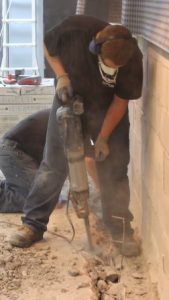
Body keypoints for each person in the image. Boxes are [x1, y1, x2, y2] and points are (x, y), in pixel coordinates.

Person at [9, 15, 143, 256]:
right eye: (109, 64)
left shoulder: (132, 59)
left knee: (115, 167)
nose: (112, 70)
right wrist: (62, 76)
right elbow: (48, 47)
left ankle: (121, 230)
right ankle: (33, 224)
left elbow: (120, 101)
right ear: (96, 49)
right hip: (69, 97)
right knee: (54, 163)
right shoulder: (75, 29)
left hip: (107, 108)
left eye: (117, 68)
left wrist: (102, 137)